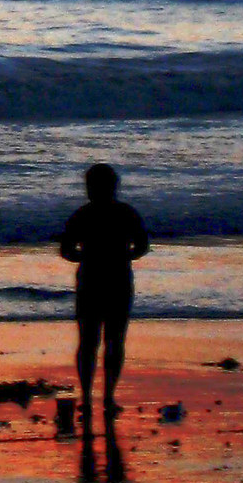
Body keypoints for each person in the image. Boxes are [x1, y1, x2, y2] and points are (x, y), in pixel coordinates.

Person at [60, 163, 149, 422]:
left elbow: (66, 249)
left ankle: (88, 398)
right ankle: (108, 397)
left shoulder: (83, 214)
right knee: (114, 340)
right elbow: (142, 245)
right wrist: (124, 256)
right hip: (118, 279)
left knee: (89, 342)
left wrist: (83, 256)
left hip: (91, 279)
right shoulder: (126, 213)